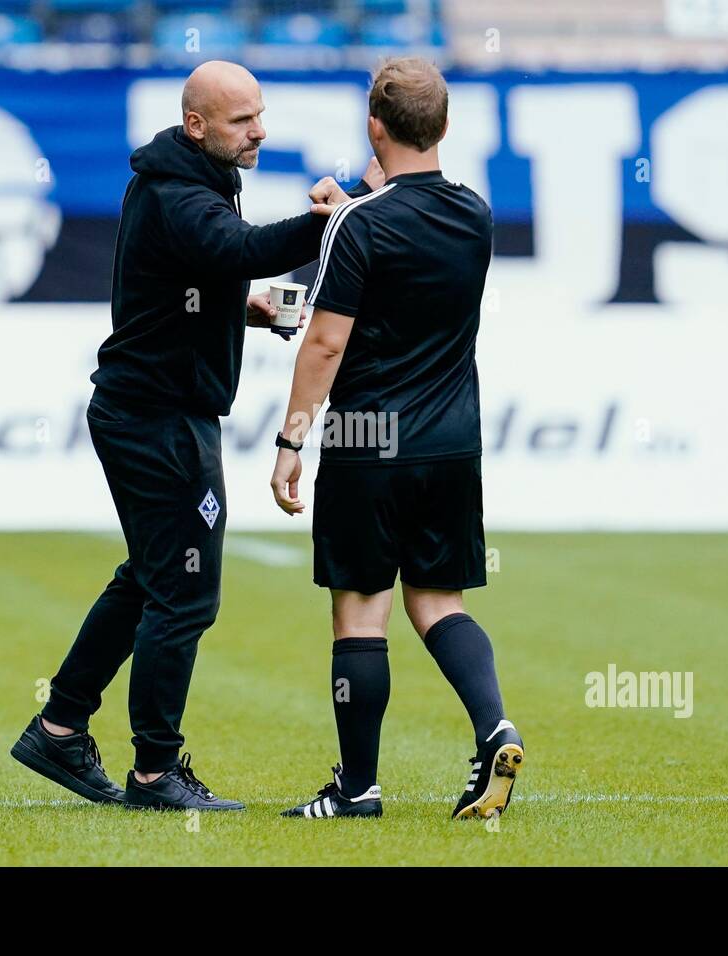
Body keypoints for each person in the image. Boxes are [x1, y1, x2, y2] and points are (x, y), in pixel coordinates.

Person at [12, 60, 382, 812]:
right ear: (197, 126)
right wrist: (333, 220)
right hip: (158, 418)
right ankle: (154, 772)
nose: (261, 131)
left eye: (261, 114)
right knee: (184, 595)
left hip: (148, 408)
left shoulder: (187, 179)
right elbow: (235, 251)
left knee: (148, 579)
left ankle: (59, 726)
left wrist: (234, 311)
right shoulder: (182, 192)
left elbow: (202, 271)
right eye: (244, 120)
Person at [269, 57, 523, 821]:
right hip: (450, 437)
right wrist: (357, 207)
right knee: (438, 601)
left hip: (367, 434)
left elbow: (323, 344)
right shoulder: (475, 214)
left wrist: (291, 441)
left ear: (373, 127)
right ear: (444, 125)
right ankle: (495, 729)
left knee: (360, 612)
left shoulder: (359, 225)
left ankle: (357, 788)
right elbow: (410, 232)